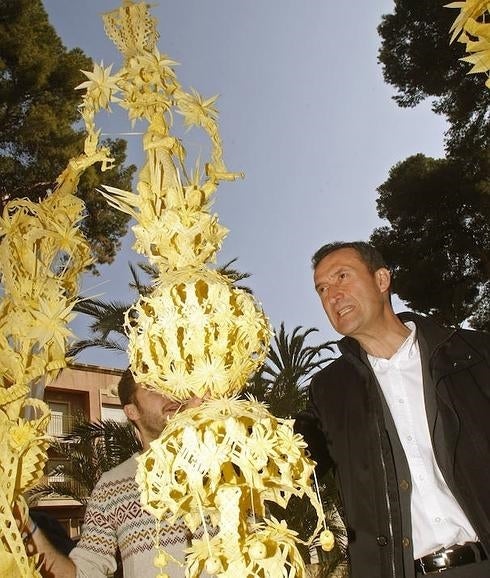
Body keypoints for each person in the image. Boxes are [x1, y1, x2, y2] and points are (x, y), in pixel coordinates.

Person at [296, 241, 490, 578]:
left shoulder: (473, 354)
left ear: (382, 279)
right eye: (322, 289)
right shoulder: (329, 393)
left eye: (342, 276)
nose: (332, 295)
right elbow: (283, 457)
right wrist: (209, 419)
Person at [22, 368, 202, 577]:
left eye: (169, 384)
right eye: (153, 388)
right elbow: (83, 573)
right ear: (132, 411)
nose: (170, 394)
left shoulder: (228, 464)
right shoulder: (111, 488)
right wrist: (24, 524)